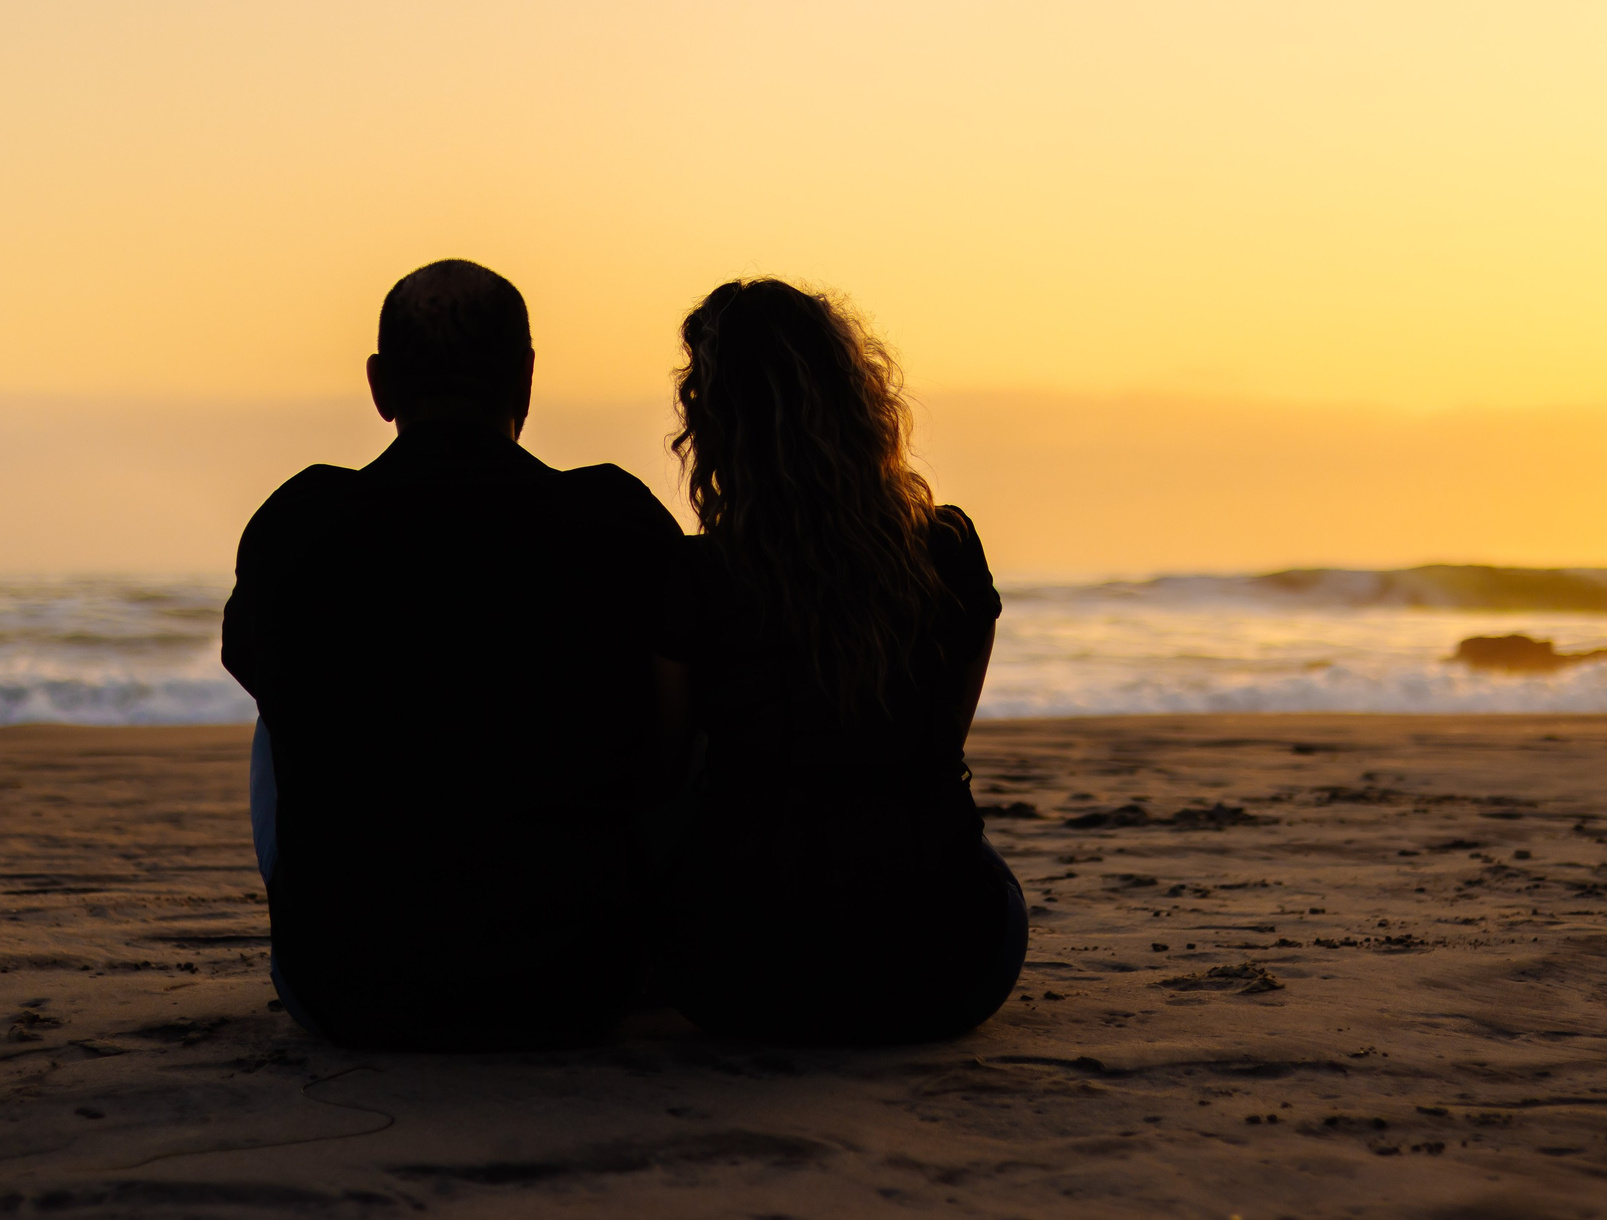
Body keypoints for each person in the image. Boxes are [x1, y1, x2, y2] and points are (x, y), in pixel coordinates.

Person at [221, 259, 687, 1048]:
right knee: (674, 676)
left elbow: (255, 669)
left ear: (380, 387)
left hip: (347, 991)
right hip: (579, 986)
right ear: (526, 379)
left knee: (278, 711)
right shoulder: (614, 516)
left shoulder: (300, 520)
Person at [662, 278, 1025, 1044]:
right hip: (946, 972)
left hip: (745, 985)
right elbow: (943, 743)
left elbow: (665, 762)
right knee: (940, 814)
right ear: (863, 405)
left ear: (713, 423)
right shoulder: (946, 551)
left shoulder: (699, 578)